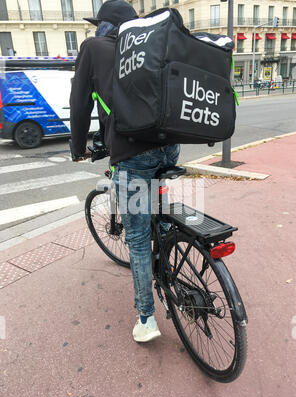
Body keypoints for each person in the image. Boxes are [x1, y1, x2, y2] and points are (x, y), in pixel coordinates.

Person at [70, 0, 180, 342]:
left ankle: (146, 319)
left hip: (132, 154)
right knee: (159, 214)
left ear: (103, 26)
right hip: (170, 144)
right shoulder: (151, 44)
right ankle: (167, 250)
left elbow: (79, 102)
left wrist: (78, 148)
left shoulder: (93, 47)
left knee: (134, 237)